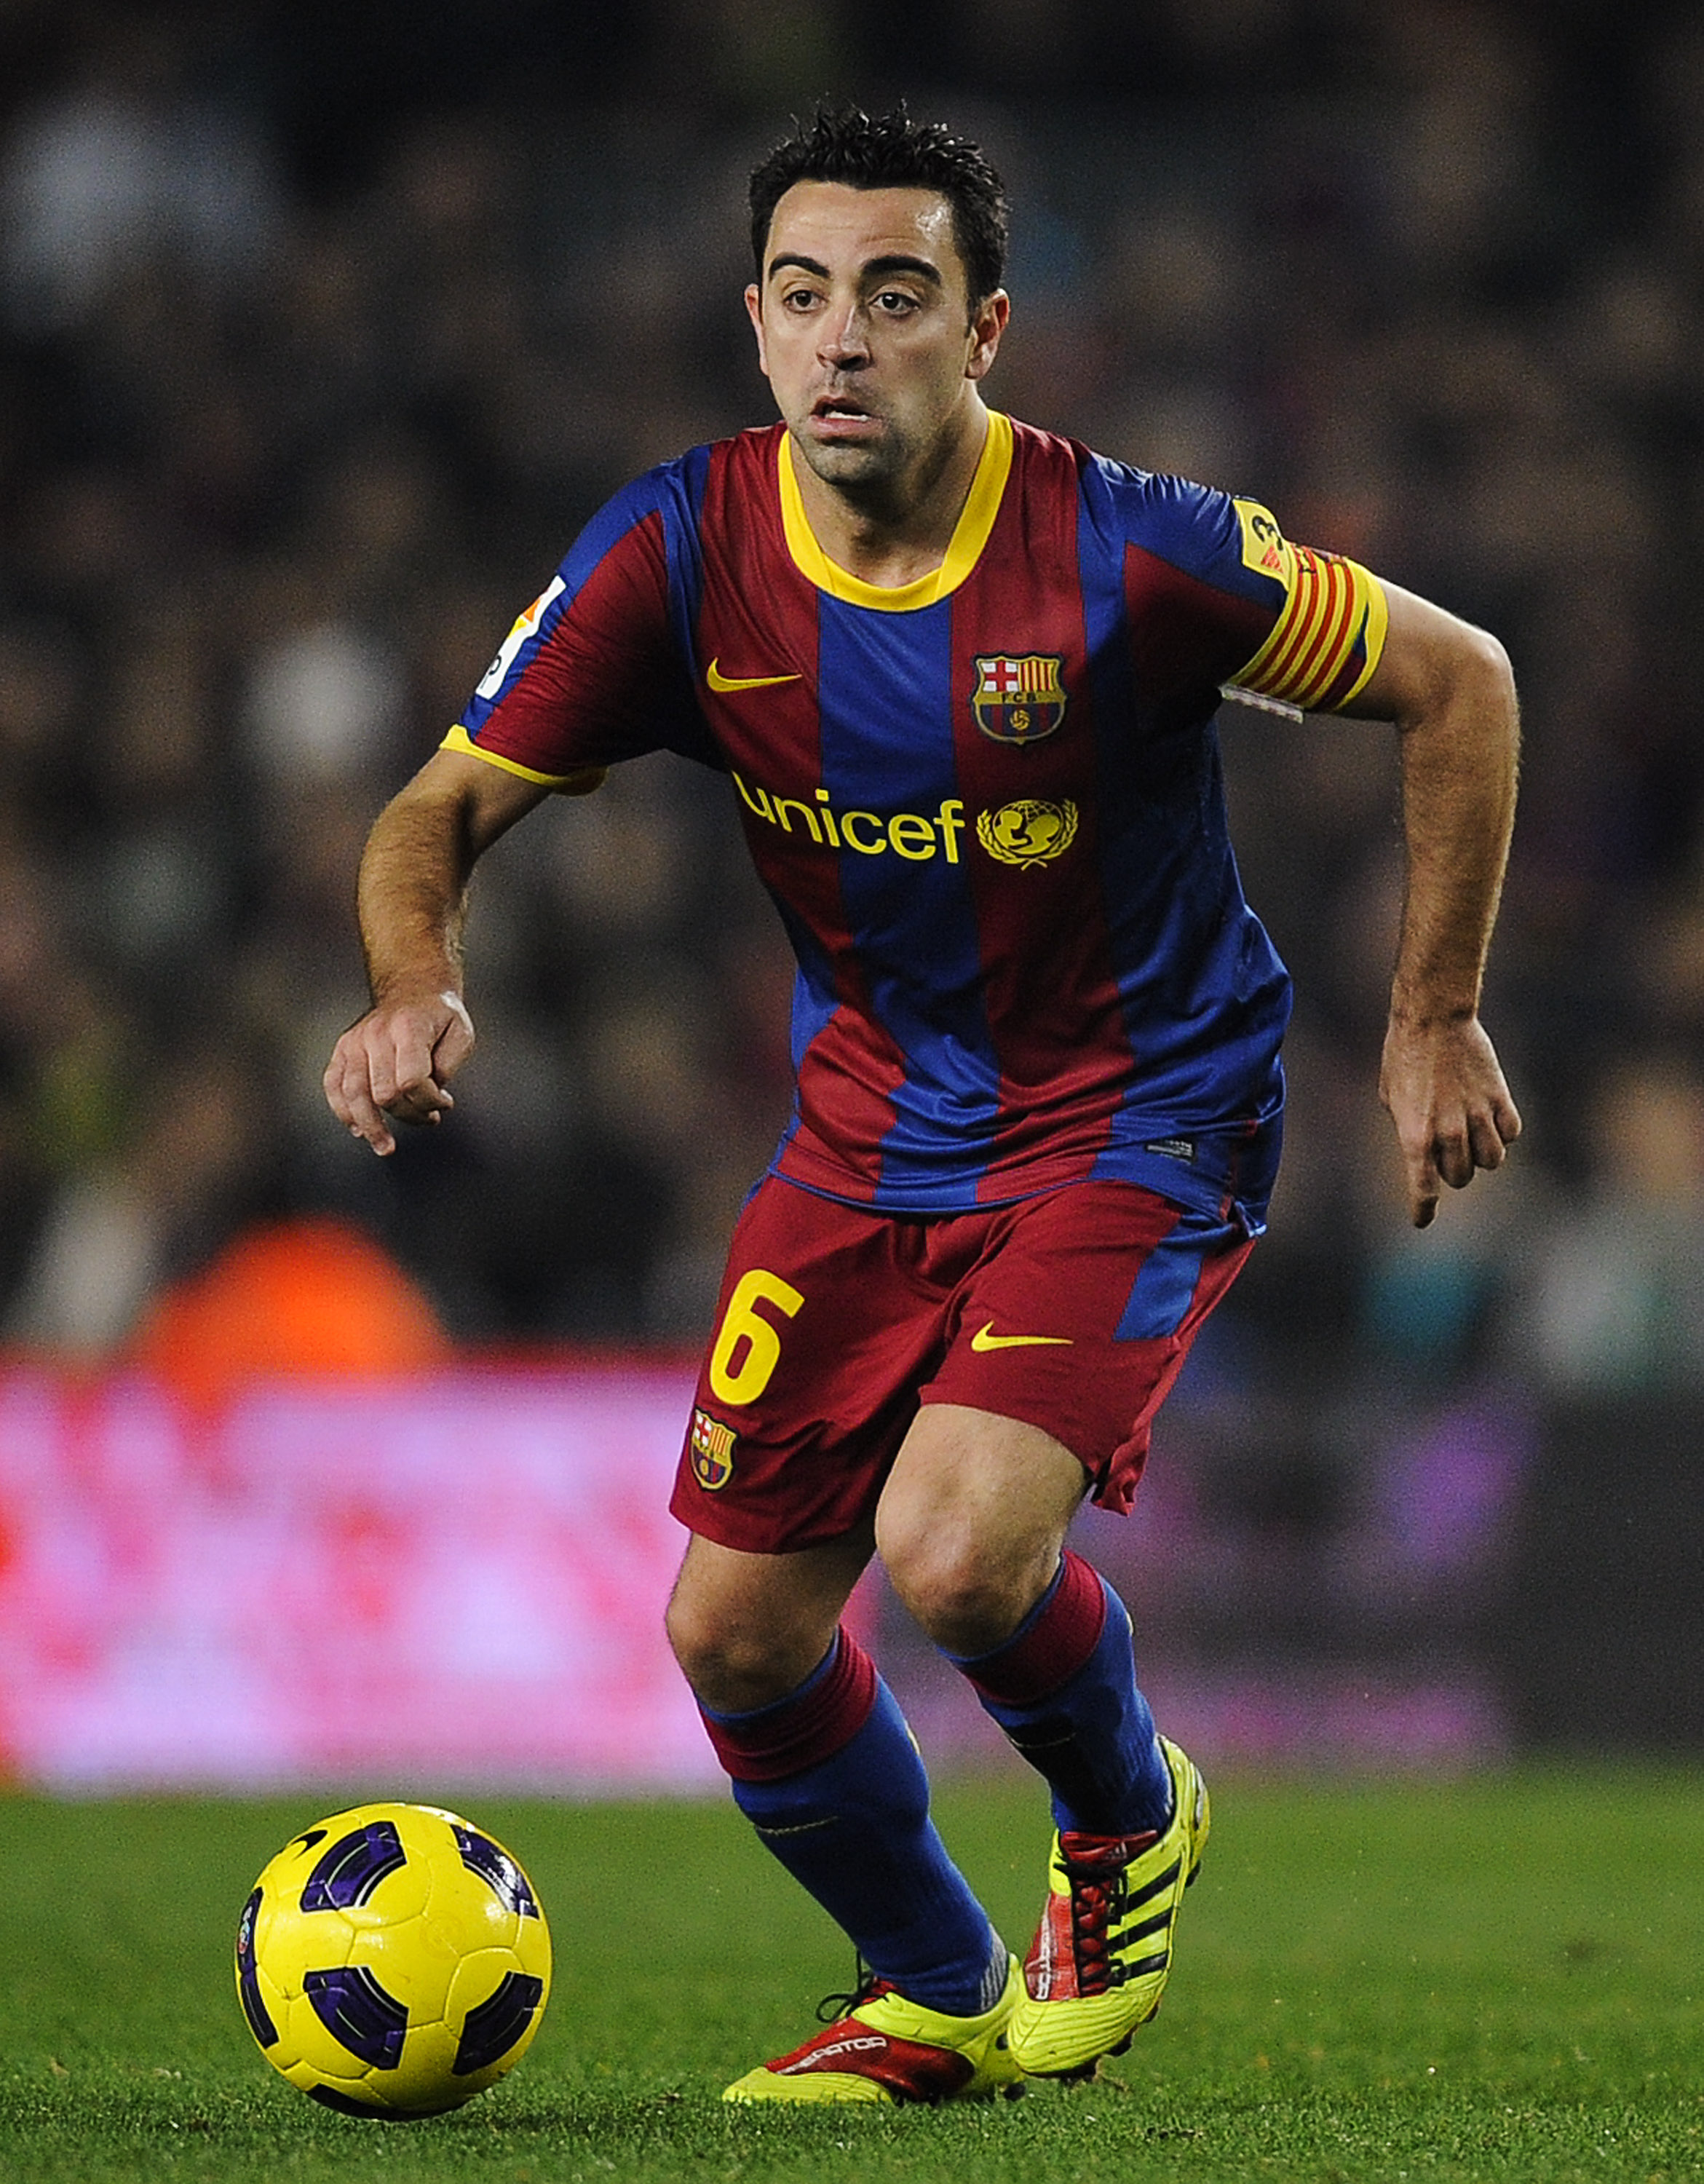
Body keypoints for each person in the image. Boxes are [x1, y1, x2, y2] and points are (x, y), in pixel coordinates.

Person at [323, 103, 1521, 2103]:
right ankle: (935, 1985)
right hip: (868, 1140)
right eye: (805, 299)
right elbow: (435, 810)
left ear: (986, 332)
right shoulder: (682, 552)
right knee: (734, 1638)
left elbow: (1462, 682)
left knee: (956, 1553)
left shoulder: (1132, 551)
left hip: (1142, 1110)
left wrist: (1434, 1015)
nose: (843, 341)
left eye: (896, 296)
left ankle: (1128, 1814)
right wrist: (412, 984)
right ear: (757, 326)